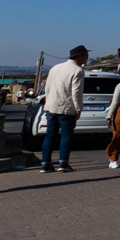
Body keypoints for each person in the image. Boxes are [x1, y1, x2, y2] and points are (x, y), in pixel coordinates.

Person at [40, 45, 88, 173]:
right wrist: (78, 108)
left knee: (50, 136)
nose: (87, 59)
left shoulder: (55, 68)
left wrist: (48, 103)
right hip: (67, 108)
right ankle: (63, 163)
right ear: (79, 56)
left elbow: (47, 87)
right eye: (85, 56)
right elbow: (76, 91)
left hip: (51, 107)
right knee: (66, 136)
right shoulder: (78, 70)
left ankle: (45, 164)